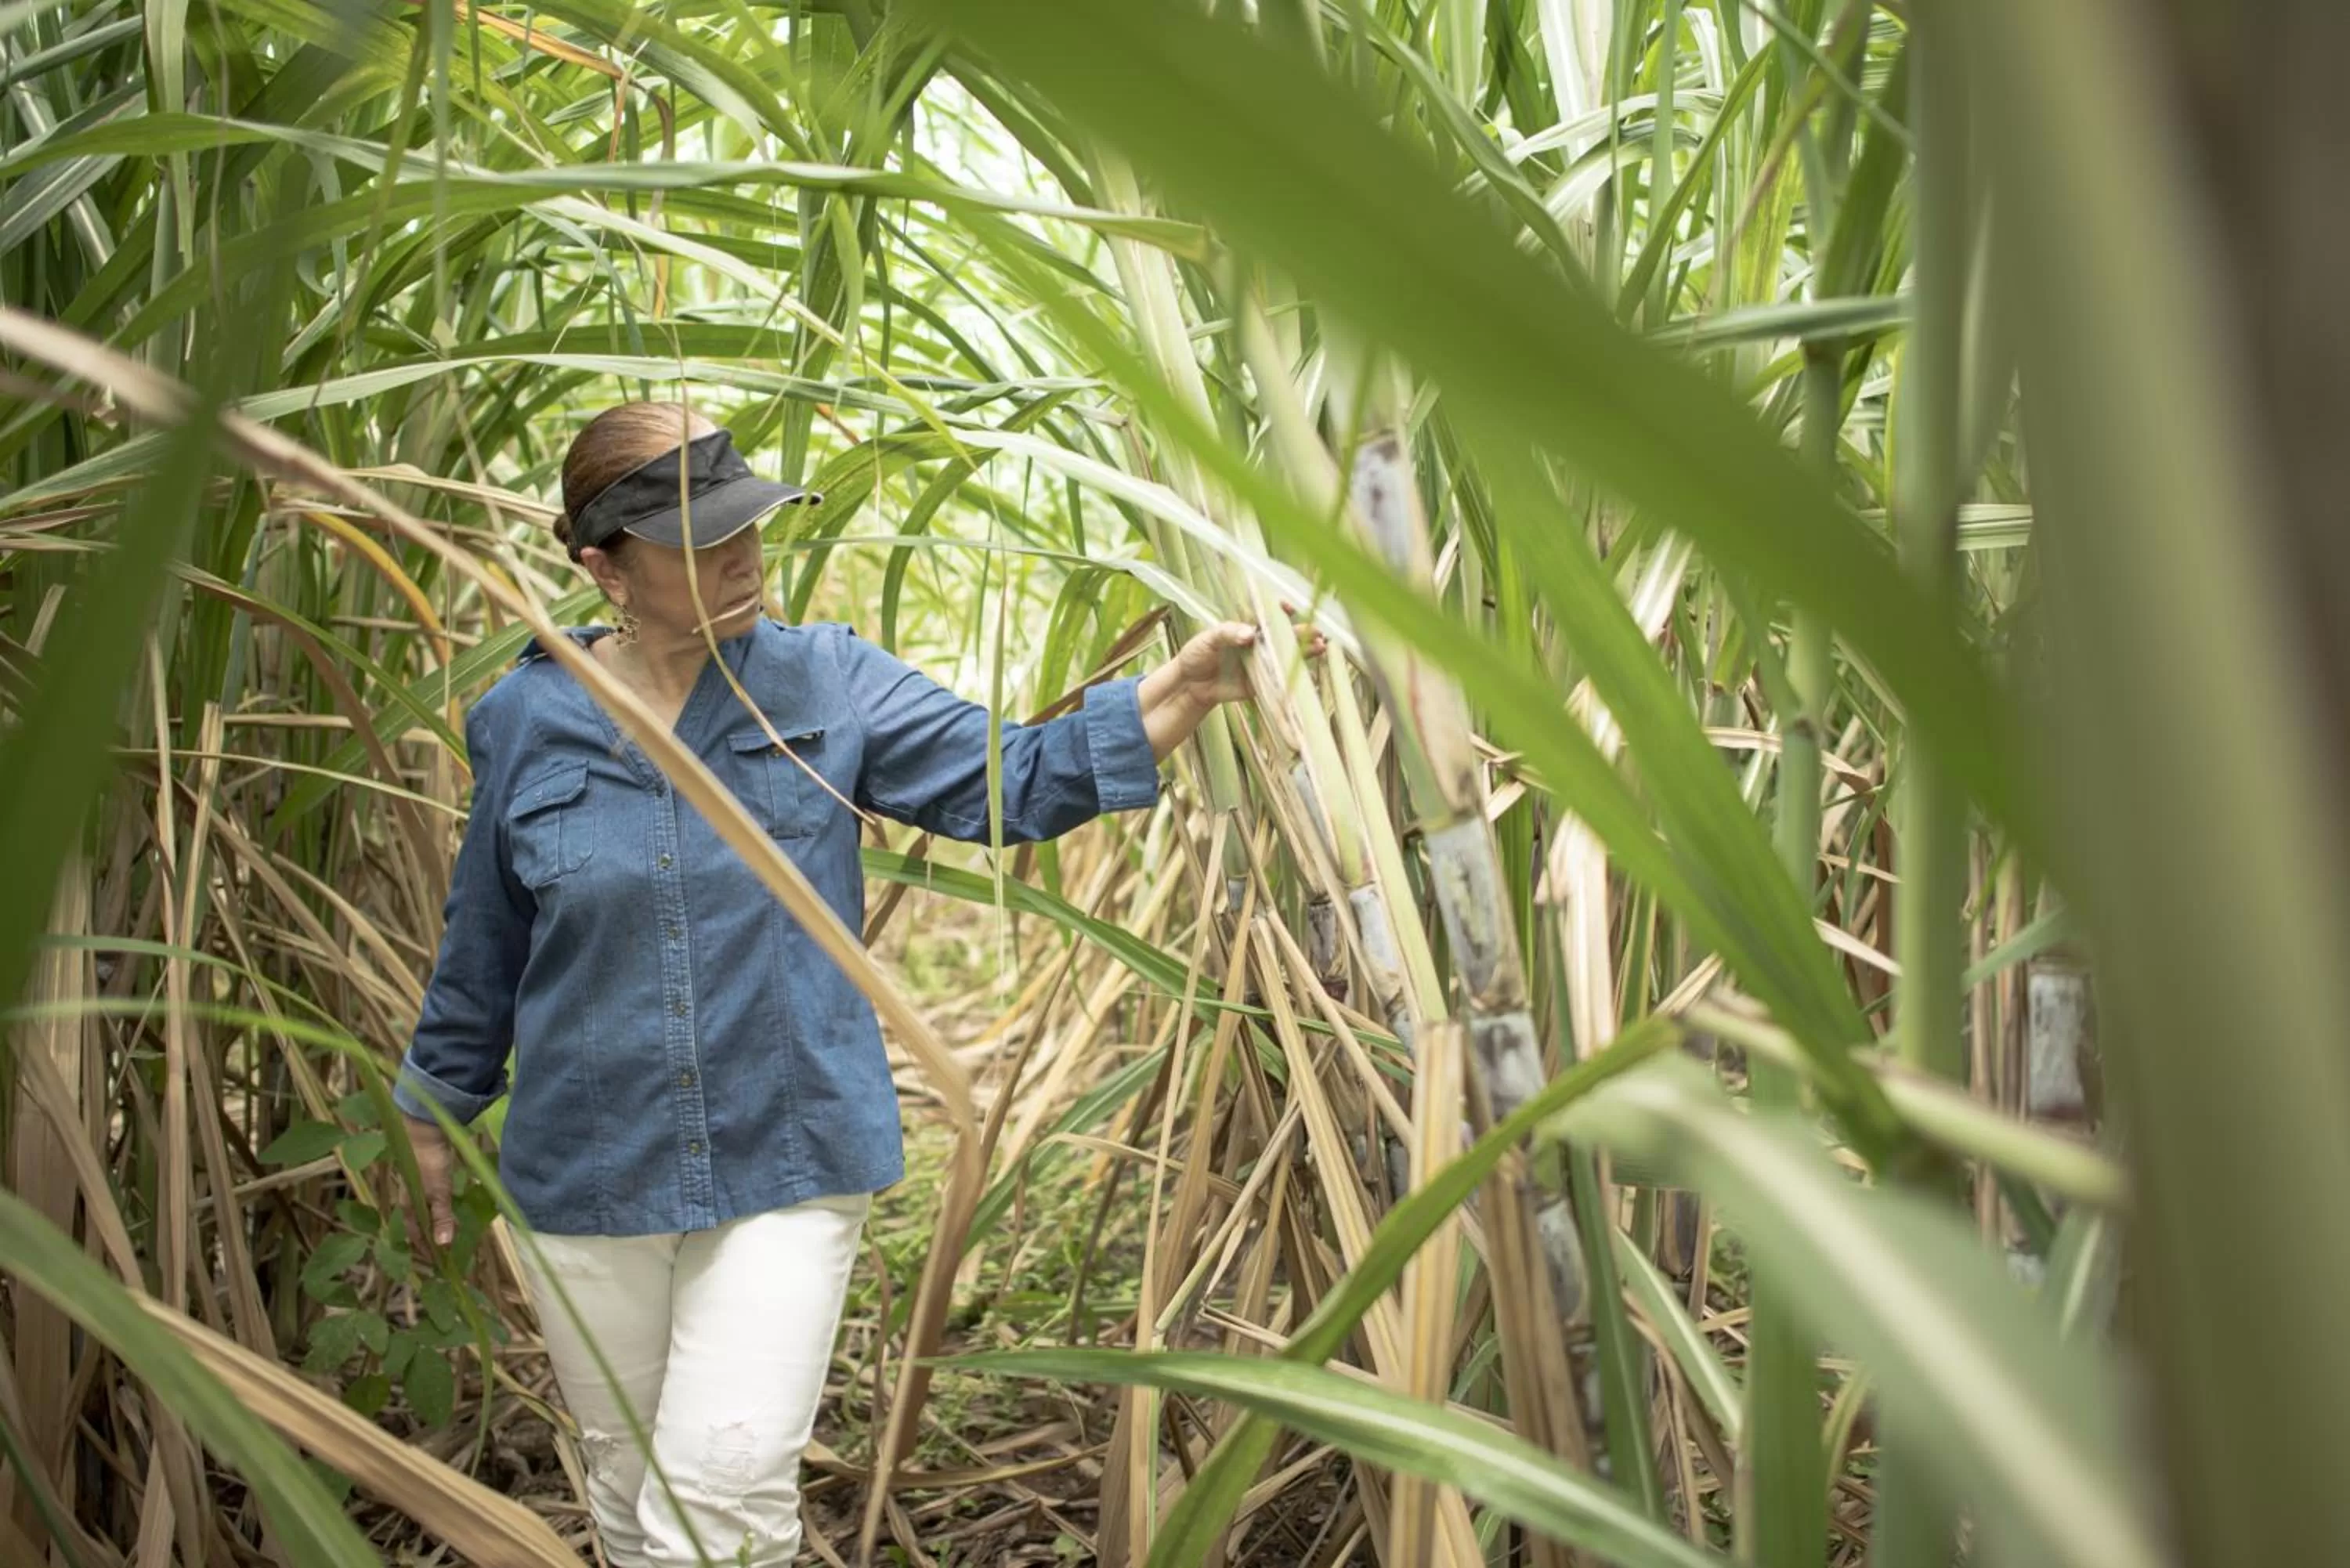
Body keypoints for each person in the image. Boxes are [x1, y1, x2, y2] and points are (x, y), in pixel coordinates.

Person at [392, 401, 1262, 1566]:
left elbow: (1015, 776)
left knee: (716, 1497)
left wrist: (1187, 689)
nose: (744, 554)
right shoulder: (524, 717)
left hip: (785, 1152)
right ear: (604, 565)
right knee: (627, 1484)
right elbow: (486, 935)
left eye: (749, 524)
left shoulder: (823, 684)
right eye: (700, 541)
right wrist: (432, 1102)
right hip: (587, 1165)